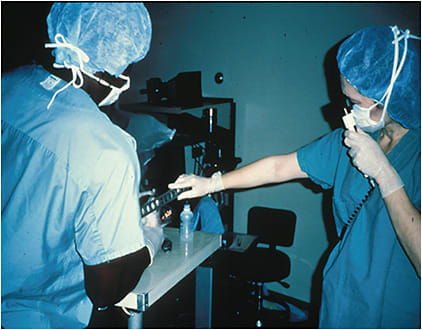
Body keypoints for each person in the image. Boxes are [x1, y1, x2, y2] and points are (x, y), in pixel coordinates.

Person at [169, 25, 421, 328]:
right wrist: (212, 183)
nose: (348, 112)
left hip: (396, 314)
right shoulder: (350, 141)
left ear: (391, 96)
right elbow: (280, 167)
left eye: (355, 103)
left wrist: (384, 174)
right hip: (340, 302)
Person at [2, 3, 164, 328]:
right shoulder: (108, 147)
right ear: (111, 67)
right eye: (126, 65)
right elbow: (104, 291)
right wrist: (150, 242)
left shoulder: (9, 84)